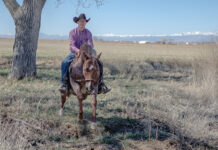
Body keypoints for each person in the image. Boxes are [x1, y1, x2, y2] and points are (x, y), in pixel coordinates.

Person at [59, 13, 110, 94]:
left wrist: (87, 50)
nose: (82, 23)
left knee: (99, 63)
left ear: (86, 23)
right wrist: (78, 51)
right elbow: (72, 45)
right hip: (75, 52)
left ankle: (101, 84)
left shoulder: (88, 32)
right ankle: (64, 83)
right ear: (77, 22)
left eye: (84, 21)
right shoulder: (72, 32)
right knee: (65, 62)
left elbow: (91, 44)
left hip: (87, 53)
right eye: (80, 21)